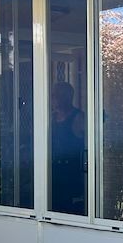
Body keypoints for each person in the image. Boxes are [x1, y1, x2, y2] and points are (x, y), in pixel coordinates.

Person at [50, 81, 86, 214]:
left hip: (71, 173)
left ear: (66, 97)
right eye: (52, 95)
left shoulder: (78, 117)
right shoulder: (51, 118)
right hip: (53, 172)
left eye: (56, 95)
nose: (52, 99)